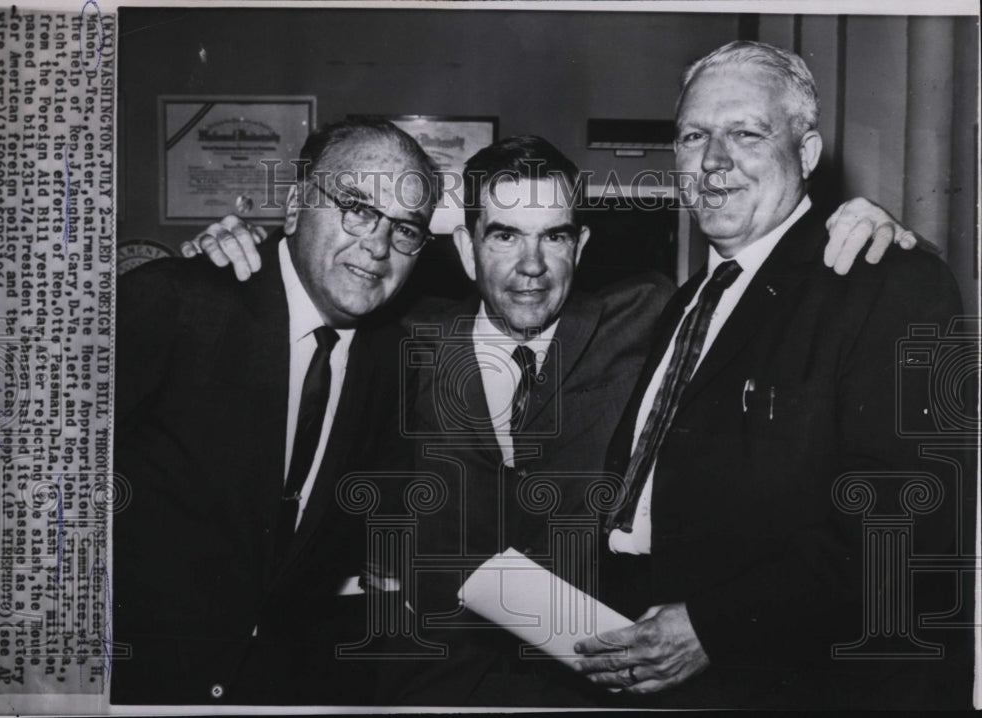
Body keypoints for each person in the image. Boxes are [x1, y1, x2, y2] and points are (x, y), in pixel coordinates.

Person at [188, 130, 923, 706]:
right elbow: (299, 306)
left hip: (600, 693)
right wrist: (228, 254)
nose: (532, 264)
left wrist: (854, 230)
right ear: (466, 250)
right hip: (428, 693)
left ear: (582, 245)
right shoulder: (399, 342)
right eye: (504, 234)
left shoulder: (653, 321)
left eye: (555, 236)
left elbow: (765, 295)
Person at [571, 41, 971, 709]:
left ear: (807, 153)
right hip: (659, 670)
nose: (714, 160)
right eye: (694, 135)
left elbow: (900, 528)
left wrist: (709, 628)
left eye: (746, 134)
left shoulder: (888, 282)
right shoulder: (687, 301)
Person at [112, 119, 438, 704]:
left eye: (406, 228)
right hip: (135, 683)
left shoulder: (393, 359)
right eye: (358, 208)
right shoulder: (177, 301)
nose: (379, 246)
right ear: (294, 206)